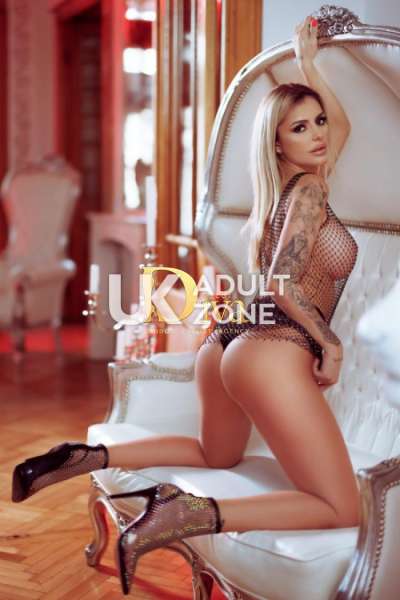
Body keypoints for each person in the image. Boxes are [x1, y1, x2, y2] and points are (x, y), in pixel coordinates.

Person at [11, 16, 361, 596]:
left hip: (232, 340)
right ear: (279, 142)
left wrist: (309, 66)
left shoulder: (282, 187)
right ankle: (185, 512)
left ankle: (84, 455)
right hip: (273, 346)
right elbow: (280, 282)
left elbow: (340, 125)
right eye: (301, 127)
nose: (320, 134)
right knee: (340, 507)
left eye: (318, 121)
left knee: (212, 453)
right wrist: (329, 342)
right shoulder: (308, 190)